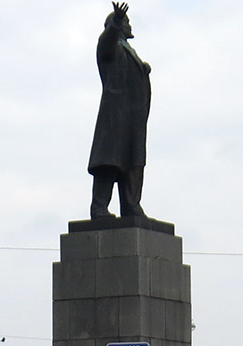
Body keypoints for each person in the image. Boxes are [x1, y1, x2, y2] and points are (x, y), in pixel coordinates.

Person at [88, 2, 152, 219]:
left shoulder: (129, 51)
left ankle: (131, 205)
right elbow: (104, 43)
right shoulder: (110, 46)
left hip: (133, 119)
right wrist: (115, 21)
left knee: (132, 164)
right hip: (115, 116)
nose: (129, 25)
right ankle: (99, 207)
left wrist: (142, 70)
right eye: (127, 22)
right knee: (109, 162)